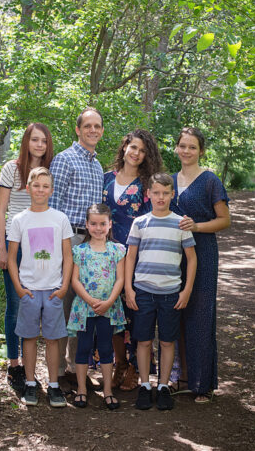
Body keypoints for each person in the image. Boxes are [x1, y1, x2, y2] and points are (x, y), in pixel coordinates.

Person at [124, 173, 197, 411]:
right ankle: (145, 386)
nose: (160, 197)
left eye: (165, 193)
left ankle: (163, 386)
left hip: (171, 293)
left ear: (172, 194)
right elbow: (130, 256)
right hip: (143, 291)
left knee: (167, 341)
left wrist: (186, 291)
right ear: (148, 194)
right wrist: (129, 289)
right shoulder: (140, 223)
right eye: (156, 192)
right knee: (143, 341)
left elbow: (191, 259)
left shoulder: (180, 223)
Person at [169, 127, 231, 403]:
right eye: (182, 146)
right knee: (175, 314)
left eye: (192, 147)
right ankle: (179, 378)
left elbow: (225, 220)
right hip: (173, 255)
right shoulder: (170, 180)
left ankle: (202, 384)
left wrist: (197, 226)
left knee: (201, 315)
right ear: (176, 148)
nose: (186, 151)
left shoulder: (210, 181)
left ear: (201, 151)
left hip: (203, 253)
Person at [7, 167, 73, 408]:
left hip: (54, 289)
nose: (41, 190)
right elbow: (12, 257)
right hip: (30, 289)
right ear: (28, 189)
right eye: (36, 186)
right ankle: (31, 383)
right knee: (30, 337)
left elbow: (68, 256)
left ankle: (54, 385)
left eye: (46, 186)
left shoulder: (60, 218)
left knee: (53, 339)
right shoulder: (19, 220)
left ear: (51, 190)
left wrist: (64, 286)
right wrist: (19, 288)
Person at [0, 123, 54, 396]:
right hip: (14, 244)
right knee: (16, 305)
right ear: (26, 141)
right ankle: (14, 365)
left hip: (40, 243)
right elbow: (1, 210)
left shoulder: (49, 171)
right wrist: (2, 248)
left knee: (37, 303)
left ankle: (33, 368)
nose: (39, 145)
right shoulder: (12, 168)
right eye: (35, 139)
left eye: (44, 140)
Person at [103, 129, 163, 392]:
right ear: (124, 147)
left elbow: (152, 223)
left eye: (142, 150)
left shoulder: (147, 185)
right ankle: (120, 364)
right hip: (107, 256)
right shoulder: (106, 178)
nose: (136, 153)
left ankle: (139, 370)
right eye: (133, 147)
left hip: (136, 257)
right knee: (114, 315)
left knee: (136, 313)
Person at [50, 107, 105, 386]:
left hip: (91, 242)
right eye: (88, 126)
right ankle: (57, 371)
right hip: (68, 239)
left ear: (102, 131)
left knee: (80, 308)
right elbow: (52, 204)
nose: (93, 130)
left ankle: (74, 367)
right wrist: (58, 247)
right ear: (78, 129)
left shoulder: (97, 166)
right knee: (63, 303)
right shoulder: (65, 159)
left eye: (97, 126)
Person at [67, 204, 127, 410]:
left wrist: (109, 301)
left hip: (109, 308)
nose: (98, 228)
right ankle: (82, 389)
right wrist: (90, 301)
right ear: (86, 225)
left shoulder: (117, 250)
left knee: (106, 348)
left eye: (103, 224)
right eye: (93, 224)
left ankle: (108, 390)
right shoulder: (79, 251)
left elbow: (121, 279)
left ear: (110, 225)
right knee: (83, 348)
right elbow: (74, 280)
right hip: (85, 309)